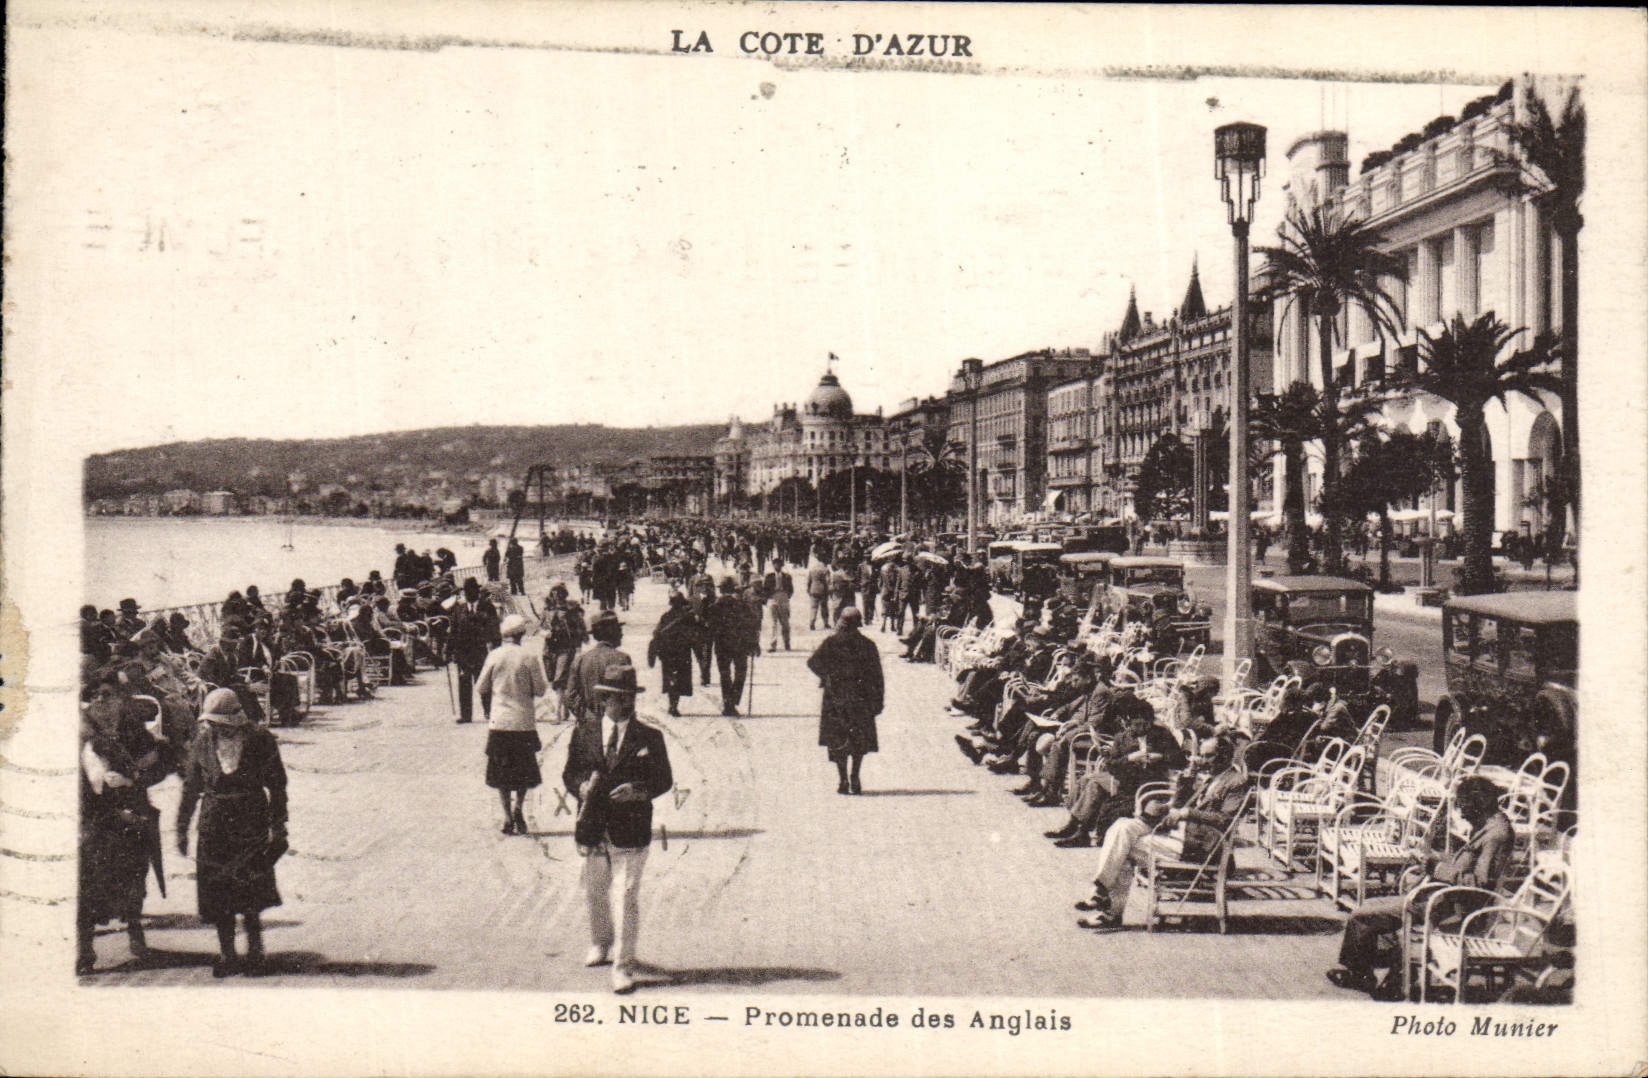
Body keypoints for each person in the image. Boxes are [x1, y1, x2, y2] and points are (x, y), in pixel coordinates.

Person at [1326, 775, 1512, 999]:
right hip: (1443, 898)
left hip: (1452, 907)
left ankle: (1366, 973)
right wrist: (1433, 858)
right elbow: (1466, 866)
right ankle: (1387, 972)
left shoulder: (1495, 835)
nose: (1461, 814)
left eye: (1463, 807)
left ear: (1477, 804)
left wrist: (1436, 868)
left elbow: (1478, 884)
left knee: (1363, 914)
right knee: (1371, 908)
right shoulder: (1489, 825)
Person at [562, 662, 673, 994]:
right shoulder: (584, 732)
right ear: (604, 700)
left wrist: (638, 791)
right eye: (618, 698)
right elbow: (570, 773)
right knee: (595, 890)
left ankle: (623, 966)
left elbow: (664, 779)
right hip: (594, 825)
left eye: (630, 698)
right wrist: (579, 786)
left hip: (632, 827)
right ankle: (601, 943)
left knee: (626, 896)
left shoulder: (650, 737)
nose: (626, 704)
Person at [1076, 732, 1248, 930]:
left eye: (1208, 756)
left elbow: (1225, 820)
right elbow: (1179, 805)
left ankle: (1108, 907)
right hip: (1181, 833)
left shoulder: (1236, 782)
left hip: (1200, 845)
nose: (1202, 760)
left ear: (1224, 756)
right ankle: (1101, 893)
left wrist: (1187, 813)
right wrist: (1184, 783)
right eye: (1201, 755)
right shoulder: (1210, 777)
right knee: (1121, 825)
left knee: (1123, 849)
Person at [175, 689, 289, 977]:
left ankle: (255, 951)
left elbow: (277, 785)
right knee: (217, 892)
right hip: (214, 825)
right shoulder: (203, 742)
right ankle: (227, 954)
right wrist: (182, 828)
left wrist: (278, 825)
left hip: (250, 821)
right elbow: (190, 788)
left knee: (250, 890)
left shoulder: (260, 739)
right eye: (211, 722)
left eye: (220, 722)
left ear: (236, 719)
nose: (214, 727)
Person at [77, 674, 173, 973]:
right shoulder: (77, 736)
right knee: (87, 884)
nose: (101, 701)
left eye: (108, 695)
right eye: (96, 696)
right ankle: (84, 951)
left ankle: (135, 930)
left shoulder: (133, 732)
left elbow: (161, 764)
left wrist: (134, 778)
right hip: (93, 818)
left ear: (121, 701)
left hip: (133, 813)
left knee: (134, 877)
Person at [477, 615, 550, 835]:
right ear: (521, 634)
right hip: (523, 721)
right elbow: (540, 689)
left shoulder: (494, 655)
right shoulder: (529, 656)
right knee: (523, 770)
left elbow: (481, 687)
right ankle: (519, 807)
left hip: (500, 721)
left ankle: (507, 816)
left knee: (501, 772)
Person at [807, 607, 884, 795]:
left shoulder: (832, 642)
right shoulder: (868, 645)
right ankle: (855, 777)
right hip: (861, 699)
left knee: (838, 739)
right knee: (859, 741)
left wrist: (828, 676)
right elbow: (877, 677)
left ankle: (842, 779)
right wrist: (878, 701)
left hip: (836, 699)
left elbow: (813, 662)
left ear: (841, 622)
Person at [447, 578, 501, 724]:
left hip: (481, 651)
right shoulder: (459, 609)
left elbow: (495, 629)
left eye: (472, 590)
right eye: (466, 591)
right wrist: (449, 651)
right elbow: (453, 631)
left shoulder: (487, 607)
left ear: (477, 592)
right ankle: (466, 715)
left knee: (484, 682)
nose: (469, 593)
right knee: (464, 683)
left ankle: (489, 712)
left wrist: (496, 649)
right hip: (463, 652)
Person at [564, 610, 631, 726]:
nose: (621, 634)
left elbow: (570, 696)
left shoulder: (581, 659)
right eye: (618, 630)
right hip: (615, 726)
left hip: (588, 727)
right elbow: (628, 697)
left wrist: (586, 716)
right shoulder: (622, 659)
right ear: (610, 631)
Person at [705, 577, 756, 716]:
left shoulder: (714, 607)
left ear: (720, 590)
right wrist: (754, 644)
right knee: (740, 673)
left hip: (721, 646)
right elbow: (751, 625)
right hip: (740, 645)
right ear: (733, 589)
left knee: (724, 675)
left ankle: (728, 703)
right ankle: (732, 700)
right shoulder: (741, 605)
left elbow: (709, 629)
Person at [646, 592, 697, 717]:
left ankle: (672, 704)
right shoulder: (688, 617)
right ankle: (674, 705)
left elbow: (657, 633)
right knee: (679, 678)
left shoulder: (666, 616)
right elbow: (694, 635)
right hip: (682, 652)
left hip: (667, 653)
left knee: (671, 677)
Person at [765, 562, 793, 652]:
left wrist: (786, 596)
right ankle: (773, 645)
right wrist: (769, 596)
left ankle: (787, 643)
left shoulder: (787, 576)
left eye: (779, 565)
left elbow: (791, 589)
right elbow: (765, 588)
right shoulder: (769, 576)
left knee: (785, 622)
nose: (777, 567)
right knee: (773, 623)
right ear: (773, 566)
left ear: (781, 566)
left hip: (783, 597)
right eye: (776, 565)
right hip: (773, 598)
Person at [806, 559, 830, 631]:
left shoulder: (812, 569)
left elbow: (808, 581)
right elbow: (827, 581)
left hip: (813, 590)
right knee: (824, 607)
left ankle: (812, 622)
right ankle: (826, 623)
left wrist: (808, 589)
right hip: (822, 590)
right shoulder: (825, 569)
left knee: (813, 607)